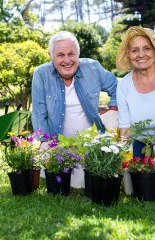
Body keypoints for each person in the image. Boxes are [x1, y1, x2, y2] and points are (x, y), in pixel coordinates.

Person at [31, 31, 118, 188]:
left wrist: (113, 108)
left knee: (87, 181)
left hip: (91, 145)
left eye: (71, 54)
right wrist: (45, 142)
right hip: (58, 147)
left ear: (78, 54)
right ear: (51, 55)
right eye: (60, 55)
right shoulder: (41, 74)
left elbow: (117, 87)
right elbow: (39, 112)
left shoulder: (93, 68)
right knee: (63, 181)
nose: (67, 60)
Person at [116, 26, 155, 158]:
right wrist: (121, 157)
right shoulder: (123, 85)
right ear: (129, 55)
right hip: (140, 145)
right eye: (134, 50)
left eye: (147, 48)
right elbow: (125, 128)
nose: (141, 54)